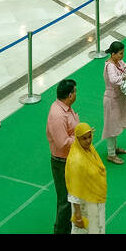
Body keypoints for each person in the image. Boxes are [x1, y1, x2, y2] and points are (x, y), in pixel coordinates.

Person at [46, 79, 80, 234]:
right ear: (70, 95)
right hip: (62, 162)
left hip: (71, 159)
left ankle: (70, 228)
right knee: (65, 200)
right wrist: (80, 137)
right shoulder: (58, 115)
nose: (76, 94)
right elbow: (62, 143)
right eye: (75, 91)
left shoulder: (67, 109)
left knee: (73, 197)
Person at [66, 123, 108, 234]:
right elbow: (74, 190)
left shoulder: (89, 150)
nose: (88, 141)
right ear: (78, 139)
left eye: (89, 137)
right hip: (84, 205)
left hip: (95, 200)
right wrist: (78, 214)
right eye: (84, 138)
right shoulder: (76, 160)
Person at [101, 41, 126, 164]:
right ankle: (111, 154)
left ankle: (114, 148)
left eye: (123, 53)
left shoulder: (119, 62)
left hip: (119, 98)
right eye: (120, 53)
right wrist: (124, 77)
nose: (122, 55)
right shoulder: (110, 66)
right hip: (111, 100)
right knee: (111, 127)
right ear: (113, 54)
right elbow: (113, 79)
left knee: (117, 125)